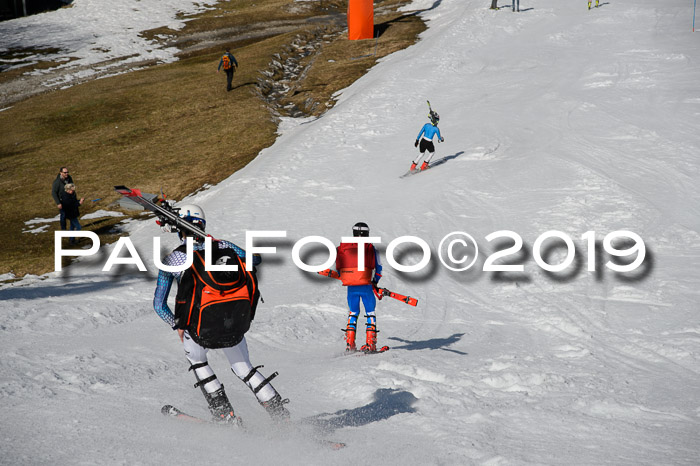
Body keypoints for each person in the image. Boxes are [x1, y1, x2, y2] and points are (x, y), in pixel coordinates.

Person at [153, 204, 289, 424]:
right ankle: (280, 414)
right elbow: (254, 260)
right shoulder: (224, 246)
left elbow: (158, 305)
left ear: (180, 229)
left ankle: (224, 414)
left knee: (198, 361)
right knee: (244, 367)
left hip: (198, 329)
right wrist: (214, 243)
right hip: (234, 324)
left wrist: (177, 325)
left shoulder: (174, 259)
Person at [336, 222, 383, 352]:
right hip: (366, 285)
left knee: (353, 312)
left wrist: (347, 277)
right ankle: (370, 342)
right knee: (370, 312)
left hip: (351, 286)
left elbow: (339, 267)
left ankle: (350, 343)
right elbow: (378, 268)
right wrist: (375, 281)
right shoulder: (371, 248)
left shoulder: (343, 248)